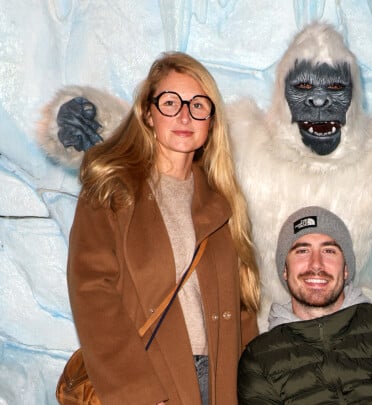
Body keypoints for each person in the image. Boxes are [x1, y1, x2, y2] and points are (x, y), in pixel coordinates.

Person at [67, 51, 260, 405]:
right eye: (171, 102)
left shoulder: (223, 201)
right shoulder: (111, 189)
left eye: (198, 105)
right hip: (148, 379)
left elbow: (242, 309)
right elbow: (92, 295)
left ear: (211, 120)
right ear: (148, 113)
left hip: (219, 383)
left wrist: (250, 391)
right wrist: (137, 393)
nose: (185, 115)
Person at [237, 206, 372, 404]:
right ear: (284, 270)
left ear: (346, 268)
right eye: (302, 251)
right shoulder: (260, 359)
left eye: (329, 251)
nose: (316, 264)